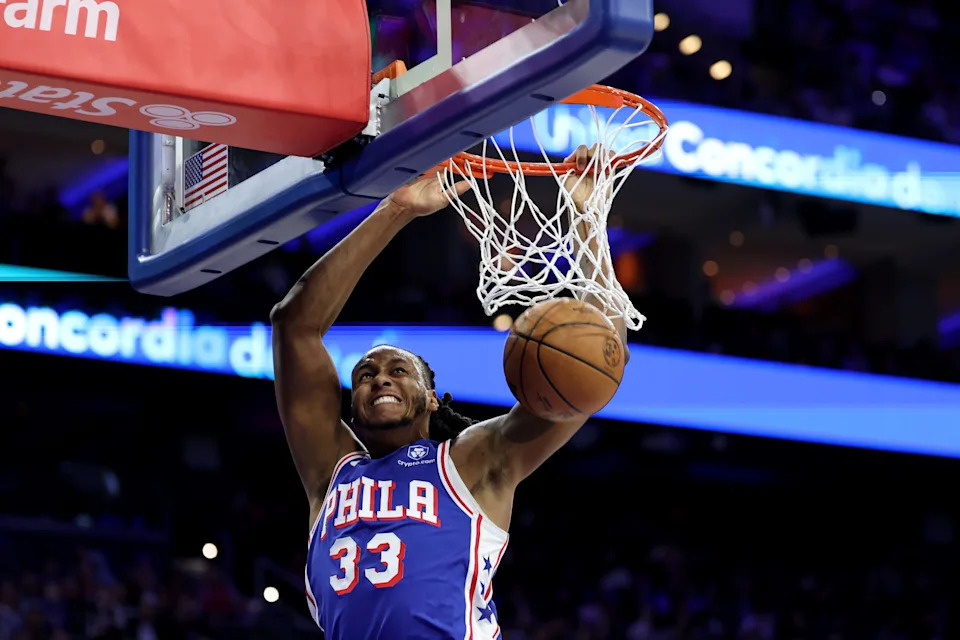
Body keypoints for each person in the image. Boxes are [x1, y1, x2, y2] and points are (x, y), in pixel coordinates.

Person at [271, 146, 628, 639]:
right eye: (365, 374)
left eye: (398, 370)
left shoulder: (471, 461)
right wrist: (394, 210)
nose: (379, 378)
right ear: (352, 406)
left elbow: (598, 367)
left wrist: (587, 219)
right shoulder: (329, 473)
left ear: (432, 399)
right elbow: (294, 324)